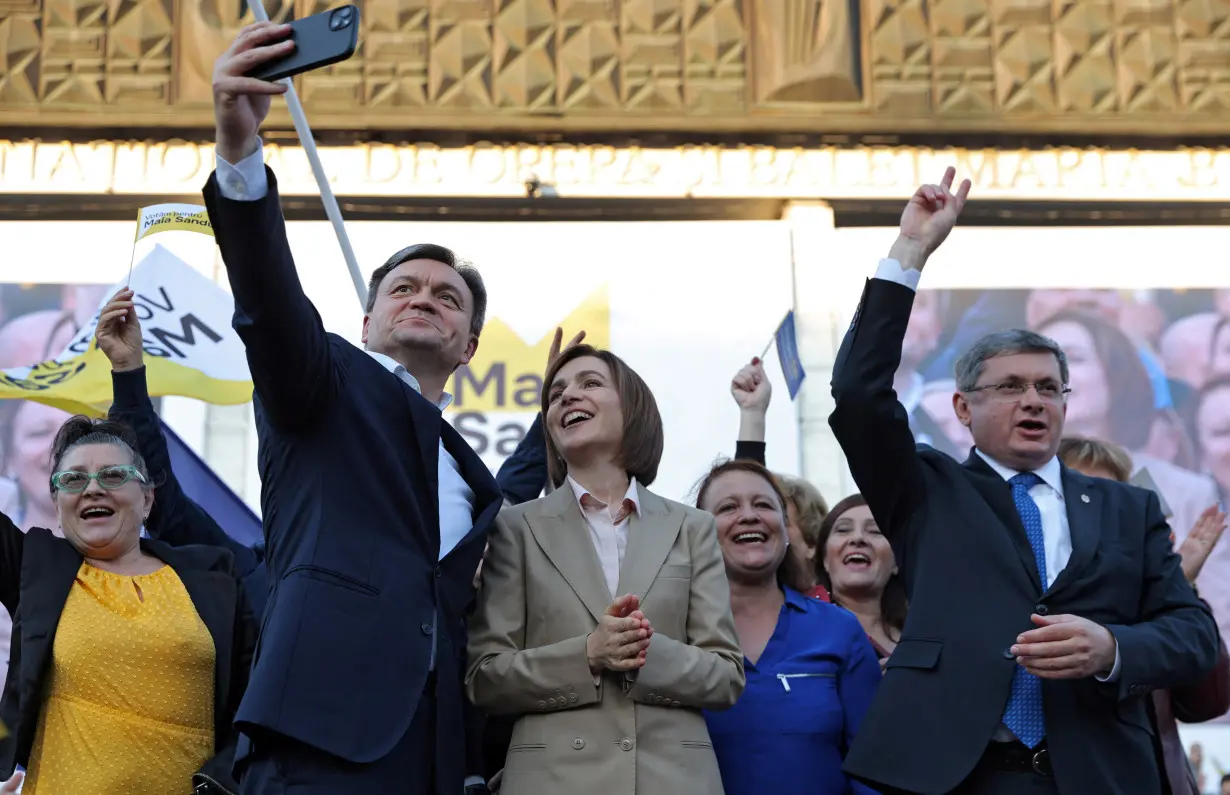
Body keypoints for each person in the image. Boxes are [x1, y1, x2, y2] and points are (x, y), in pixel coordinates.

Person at [829, 167, 1220, 795]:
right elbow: (857, 393)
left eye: (1047, 387)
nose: (1033, 400)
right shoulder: (924, 490)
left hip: (1095, 773)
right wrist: (909, 253)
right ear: (962, 409)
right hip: (959, 777)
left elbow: (1193, 638)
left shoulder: (1128, 507)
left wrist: (1111, 648)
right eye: (1010, 387)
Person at [206, 22, 504, 794]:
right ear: (366, 322)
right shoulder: (325, 383)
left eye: (448, 297)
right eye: (402, 289)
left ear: (469, 345)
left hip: (433, 754)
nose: (424, 299)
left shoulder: (473, 476)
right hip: (319, 731)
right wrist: (240, 158)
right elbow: (269, 306)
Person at [466, 345, 744, 795]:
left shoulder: (692, 528)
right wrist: (588, 655)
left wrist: (641, 652)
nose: (567, 397)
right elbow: (484, 676)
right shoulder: (513, 527)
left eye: (590, 383)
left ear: (633, 408)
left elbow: (726, 676)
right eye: (555, 394)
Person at [0, 410, 254, 794]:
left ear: (148, 497)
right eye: (73, 479)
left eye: (114, 476)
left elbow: (256, 706)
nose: (93, 488)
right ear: (57, 501)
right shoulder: (33, 567)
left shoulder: (214, 577)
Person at [1057, 435, 1230, 795]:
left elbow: (1207, 702)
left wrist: (1180, 591)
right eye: (1085, 495)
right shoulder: (1031, 586)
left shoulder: (1152, 588)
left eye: (1112, 497)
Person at [695, 459, 879, 795]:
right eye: (728, 507)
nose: (749, 516)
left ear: (786, 530)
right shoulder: (674, 634)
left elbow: (873, 767)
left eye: (764, 505)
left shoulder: (839, 630)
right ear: (698, 532)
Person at [815, 494, 907, 661]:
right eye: (843, 530)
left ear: (896, 563)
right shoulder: (801, 625)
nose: (858, 539)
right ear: (825, 559)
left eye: (875, 531)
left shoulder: (921, 632)